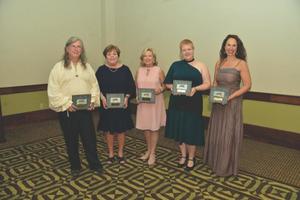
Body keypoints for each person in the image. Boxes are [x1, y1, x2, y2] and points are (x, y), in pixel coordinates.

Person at [47, 36, 102, 176]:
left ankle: (94, 164)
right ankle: (75, 166)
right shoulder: (58, 67)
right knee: (71, 139)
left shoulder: (87, 66)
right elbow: (53, 90)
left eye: (79, 47)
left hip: (85, 110)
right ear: (67, 49)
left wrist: (93, 101)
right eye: (74, 46)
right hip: (67, 111)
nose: (77, 49)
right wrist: (66, 104)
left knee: (89, 138)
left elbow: (94, 85)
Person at [203, 34, 251, 176]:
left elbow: (248, 85)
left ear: (237, 48)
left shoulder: (241, 63)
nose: (231, 48)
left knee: (228, 132)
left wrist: (231, 96)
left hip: (232, 102)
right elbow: (215, 82)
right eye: (228, 45)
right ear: (224, 47)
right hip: (219, 102)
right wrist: (213, 91)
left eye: (234, 45)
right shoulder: (219, 63)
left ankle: (225, 166)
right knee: (218, 131)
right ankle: (215, 161)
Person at [164, 39, 211, 170]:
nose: (187, 52)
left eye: (189, 49)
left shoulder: (201, 65)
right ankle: (183, 156)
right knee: (180, 130)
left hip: (193, 103)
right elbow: (167, 82)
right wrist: (172, 87)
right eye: (184, 50)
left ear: (193, 49)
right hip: (176, 103)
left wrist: (195, 89)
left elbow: (208, 83)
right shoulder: (175, 65)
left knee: (191, 130)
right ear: (181, 52)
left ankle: (191, 157)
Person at [96, 44, 136, 164]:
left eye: (114, 54)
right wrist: (102, 98)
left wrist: (126, 98)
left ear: (118, 55)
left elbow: (131, 87)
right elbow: (95, 88)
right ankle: (110, 153)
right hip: (106, 106)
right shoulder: (101, 70)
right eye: (109, 54)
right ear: (105, 56)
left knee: (121, 130)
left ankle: (120, 153)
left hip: (122, 106)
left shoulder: (125, 69)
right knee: (108, 130)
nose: (112, 56)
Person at [135, 48, 166, 166]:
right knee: (146, 128)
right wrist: (137, 96)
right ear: (142, 58)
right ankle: (148, 150)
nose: (148, 58)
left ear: (154, 58)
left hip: (155, 103)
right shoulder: (139, 70)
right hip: (143, 104)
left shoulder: (159, 70)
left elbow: (165, 86)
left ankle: (153, 153)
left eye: (150, 56)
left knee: (154, 128)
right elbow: (137, 87)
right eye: (145, 56)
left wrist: (160, 89)